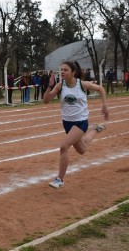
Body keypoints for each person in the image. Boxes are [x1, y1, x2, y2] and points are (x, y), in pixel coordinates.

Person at [43, 61, 109, 189]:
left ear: (73, 72)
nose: (62, 72)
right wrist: (49, 86)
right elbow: (46, 101)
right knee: (82, 149)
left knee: (64, 146)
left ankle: (59, 180)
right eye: (61, 69)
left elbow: (100, 88)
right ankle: (95, 129)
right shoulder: (60, 85)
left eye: (65, 70)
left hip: (81, 122)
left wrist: (104, 106)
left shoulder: (81, 84)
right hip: (67, 123)